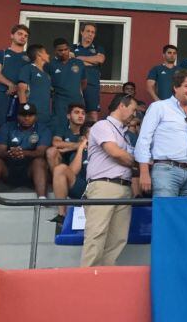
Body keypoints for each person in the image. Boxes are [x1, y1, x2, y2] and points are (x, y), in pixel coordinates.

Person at [80, 94, 137, 267]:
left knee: (118, 238)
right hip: (103, 185)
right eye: (133, 110)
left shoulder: (125, 134)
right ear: (122, 105)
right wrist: (137, 162)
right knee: (96, 234)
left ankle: (105, 281)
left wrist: (128, 160)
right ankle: (86, 282)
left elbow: (123, 157)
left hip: (124, 187)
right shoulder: (102, 125)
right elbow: (115, 153)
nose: (135, 115)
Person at [135, 70, 187, 197]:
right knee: (166, 214)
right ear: (175, 87)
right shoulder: (159, 107)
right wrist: (144, 172)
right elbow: (144, 139)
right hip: (166, 171)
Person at [0, 104, 51, 198]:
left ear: (36, 116)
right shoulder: (7, 127)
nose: (26, 118)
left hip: (30, 172)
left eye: (30, 115)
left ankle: (42, 199)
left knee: (39, 161)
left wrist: (23, 153)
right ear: (17, 115)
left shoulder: (43, 129)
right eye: (23, 115)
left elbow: (41, 151)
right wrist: (10, 153)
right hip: (9, 170)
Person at [0, 24, 30, 144]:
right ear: (12, 35)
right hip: (2, 96)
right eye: (20, 34)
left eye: (25, 35)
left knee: (17, 131)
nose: (23, 37)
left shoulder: (29, 58)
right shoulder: (1, 53)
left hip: (21, 99)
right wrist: (11, 85)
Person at [50, 122, 93, 224]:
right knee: (60, 169)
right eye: (93, 133)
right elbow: (73, 172)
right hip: (83, 189)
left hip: (103, 188)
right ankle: (62, 215)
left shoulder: (107, 148)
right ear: (84, 138)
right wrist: (81, 148)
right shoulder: (80, 152)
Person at [47, 37, 86, 125]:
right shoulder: (50, 64)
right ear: (55, 51)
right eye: (60, 50)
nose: (63, 52)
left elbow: (84, 82)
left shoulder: (78, 63)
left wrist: (75, 92)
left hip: (77, 100)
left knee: (76, 125)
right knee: (59, 124)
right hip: (59, 101)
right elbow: (45, 81)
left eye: (66, 49)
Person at [72, 23, 105, 122]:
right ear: (82, 32)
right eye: (88, 31)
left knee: (92, 113)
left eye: (93, 32)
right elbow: (71, 61)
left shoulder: (98, 48)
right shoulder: (73, 47)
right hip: (75, 84)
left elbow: (100, 59)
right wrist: (91, 62)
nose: (90, 34)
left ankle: (90, 136)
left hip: (92, 85)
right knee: (75, 111)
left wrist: (79, 58)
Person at [17, 44, 52, 128]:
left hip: (45, 115)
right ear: (39, 54)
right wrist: (25, 112)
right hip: (31, 114)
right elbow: (21, 89)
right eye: (46, 53)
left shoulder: (47, 75)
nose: (48, 55)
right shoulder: (28, 68)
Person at [46, 103, 86, 170]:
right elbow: (56, 143)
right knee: (51, 151)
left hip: (81, 163)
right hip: (62, 162)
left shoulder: (87, 130)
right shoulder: (62, 128)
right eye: (77, 112)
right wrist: (79, 145)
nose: (80, 116)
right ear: (68, 116)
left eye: (83, 113)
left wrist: (67, 149)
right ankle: (57, 178)